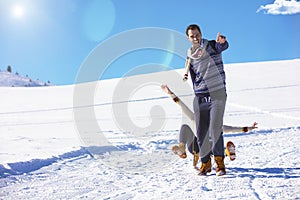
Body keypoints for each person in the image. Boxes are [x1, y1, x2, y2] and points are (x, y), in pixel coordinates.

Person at [161, 84, 258, 170]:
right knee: (186, 128)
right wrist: (170, 93)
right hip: (198, 147)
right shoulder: (200, 119)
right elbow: (232, 129)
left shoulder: (203, 120)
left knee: (211, 144)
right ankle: (182, 148)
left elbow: (233, 129)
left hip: (198, 148)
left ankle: (227, 152)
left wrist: (249, 128)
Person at [183, 24, 230, 176]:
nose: (195, 37)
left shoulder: (211, 45)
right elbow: (193, 76)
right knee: (201, 131)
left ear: (201, 34)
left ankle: (220, 163)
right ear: (188, 38)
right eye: (192, 36)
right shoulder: (190, 55)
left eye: (197, 34)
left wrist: (222, 43)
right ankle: (205, 163)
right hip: (200, 97)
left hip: (217, 94)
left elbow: (221, 46)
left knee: (215, 128)